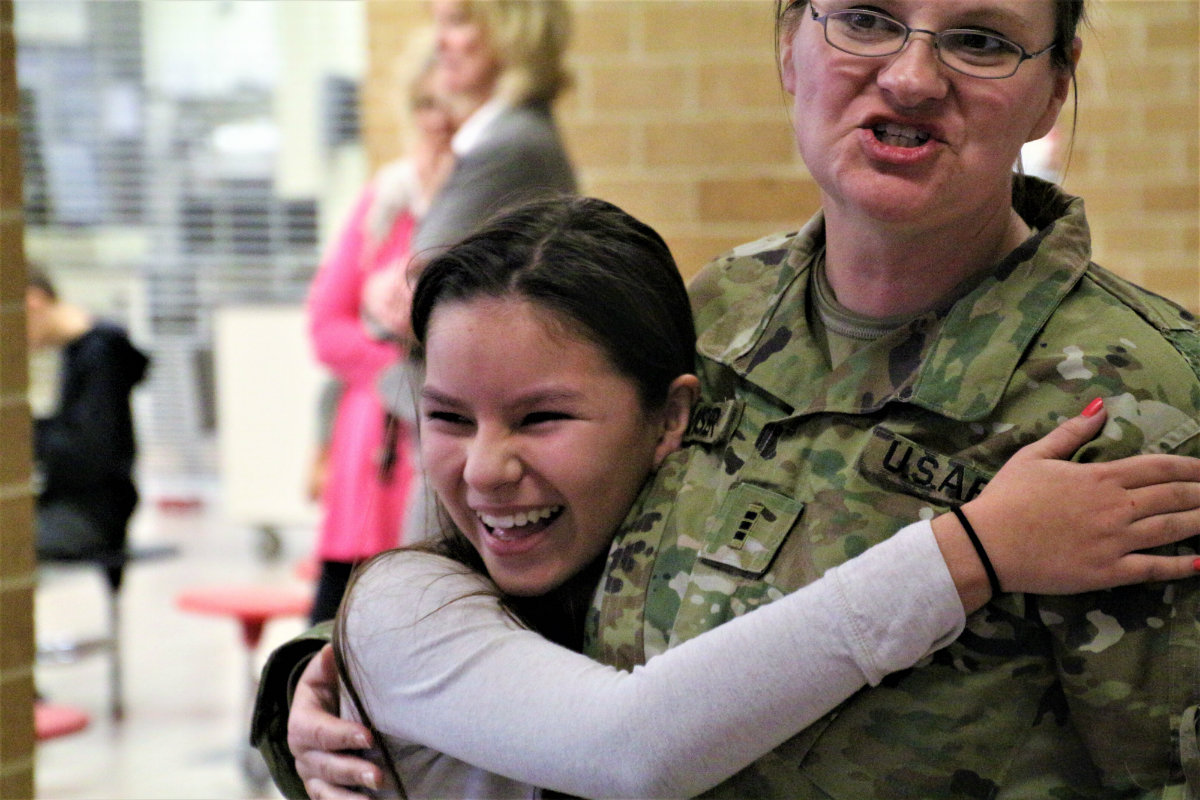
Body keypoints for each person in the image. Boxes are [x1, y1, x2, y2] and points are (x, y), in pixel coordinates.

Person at [280, 0, 1200, 793]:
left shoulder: (1139, 402)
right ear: (790, 44)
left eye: (981, 39)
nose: (914, 77)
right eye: (867, 21)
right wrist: (316, 677)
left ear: (1055, 84)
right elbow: (529, 565)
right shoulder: (717, 313)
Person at [303, 40, 457, 624]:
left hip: (443, 435)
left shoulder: (482, 197)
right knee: (334, 624)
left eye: (447, 105)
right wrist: (389, 367)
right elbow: (325, 325)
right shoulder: (383, 203)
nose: (435, 120)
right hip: (373, 443)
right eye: (423, 104)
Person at [26, 264, 150, 563]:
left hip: (89, 513)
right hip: (76, 505)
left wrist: (26, 437)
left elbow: (87, 452)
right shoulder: (84, 352)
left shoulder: (101, 354)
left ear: (33, 302)